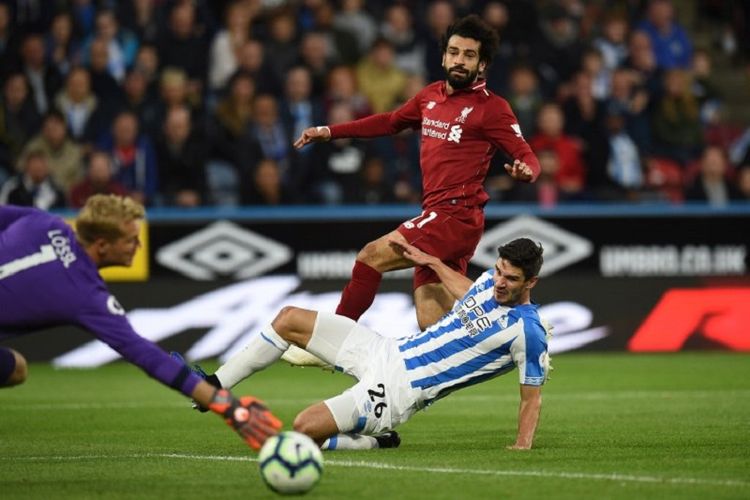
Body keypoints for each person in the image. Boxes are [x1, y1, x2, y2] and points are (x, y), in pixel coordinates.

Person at [178, 237, 550, 451]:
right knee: (289, 318)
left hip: (401, 390)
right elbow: (469, 292)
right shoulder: (489, 283)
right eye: (499, 271)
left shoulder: (529, 333)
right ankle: (213, 388)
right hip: (387, 349)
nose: (500, 281)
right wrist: (433, 263)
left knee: (304, 427)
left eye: (511, 278)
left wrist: (522, 445)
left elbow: (530, 397)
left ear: (530, 282)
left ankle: (376, 441)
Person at [294, 15, 540, 335]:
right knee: (431, 325)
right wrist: (330, 131)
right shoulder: (430, 96)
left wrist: (527, 171)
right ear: (443, 56)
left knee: (371, 256)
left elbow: (527, 155)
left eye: (469, 55)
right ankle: (513, 339)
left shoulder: (492, 108)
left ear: (482, 65)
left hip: (454, 215)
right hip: (439, 216)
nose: (459, 60)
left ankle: (333, 339)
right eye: (454, 52)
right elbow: (390, 122)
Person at [0, 195, 281, 450]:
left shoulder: (43, 222)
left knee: (16, 368)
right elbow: (147, 356)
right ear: (102, 245)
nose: (138, 245)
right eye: (130, 240)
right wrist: (230, 408)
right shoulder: (86, 296)